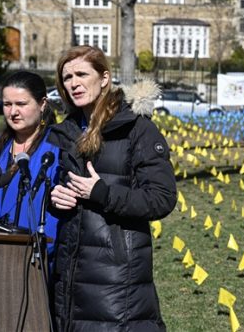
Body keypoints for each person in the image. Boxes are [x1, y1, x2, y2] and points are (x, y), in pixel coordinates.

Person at [48, 45, 177, 331]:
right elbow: (53, 187)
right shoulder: (64, 133)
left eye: (82, 74)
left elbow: (162, 198)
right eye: (67, 77)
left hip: (116, 278)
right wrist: (53, 197)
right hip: (68, 272)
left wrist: (102, 193)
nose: (74, 83)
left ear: (104, 78)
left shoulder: (135, 129)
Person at [0, 71, 60, 254]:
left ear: (42, 104)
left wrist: (43, 249)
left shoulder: (55, 149)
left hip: (31, 258)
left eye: (21, 104)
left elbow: (58, 215)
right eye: (7, 104)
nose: (13, 112)